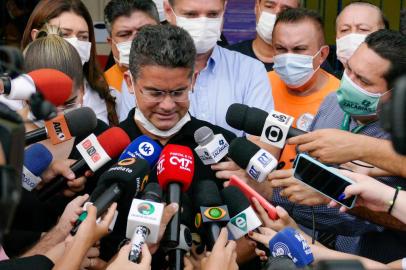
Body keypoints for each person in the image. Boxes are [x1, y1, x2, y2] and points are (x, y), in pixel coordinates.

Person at [270, 30, 406, 262]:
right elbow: (303, 171)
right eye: (349, 70)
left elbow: (380, 213)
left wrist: (319, 192)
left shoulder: (400, 135)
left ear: (395, 93)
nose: (349, 82)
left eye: (363, 81)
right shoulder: (332, 101)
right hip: (314, 250)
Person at [163, 0, 274, 136]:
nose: (203, 25)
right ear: (168, 11)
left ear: (224, 10)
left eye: (213, 14)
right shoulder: (144, 73)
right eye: (191, 14)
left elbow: (265, 143)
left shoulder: (250, 69)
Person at [21, 0, 118, 125]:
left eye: (83, 36)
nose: (75, 44)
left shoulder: (103, 92)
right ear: (37, 37)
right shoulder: (11, 97)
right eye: (64, 34)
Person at [268, 8, 340, 170]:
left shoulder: (340, 98)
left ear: (322, 54)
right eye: (280, 49)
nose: (288, 57)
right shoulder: (260, 84)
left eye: (299, 49)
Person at [103, 0, 160, 121]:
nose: (136, 41)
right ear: (110, 42)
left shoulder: (184, 77)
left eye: (145, 31)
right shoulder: (100, 87)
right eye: (125, 34)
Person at [227, 0, 300, 71]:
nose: (276, 14)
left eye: (286, 10)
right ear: (256, 7)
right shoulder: (228, 58)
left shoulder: (302, 65)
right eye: (269, 6)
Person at [335, 1, 387, 73]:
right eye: (344, 30)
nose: (352, 36)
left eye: (363, 29)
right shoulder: (327, 83)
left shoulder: (399, 82)